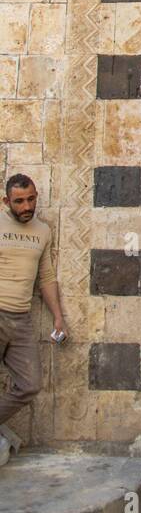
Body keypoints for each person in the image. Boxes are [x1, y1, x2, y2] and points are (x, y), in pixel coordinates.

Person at [0, 174, 66, 467]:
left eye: (31, 199)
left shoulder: (43, 231)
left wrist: (59, 317)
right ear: (6, 202)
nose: (27, 206)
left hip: (21, 319)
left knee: (30, 384)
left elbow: (47, 277)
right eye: (19, 201)